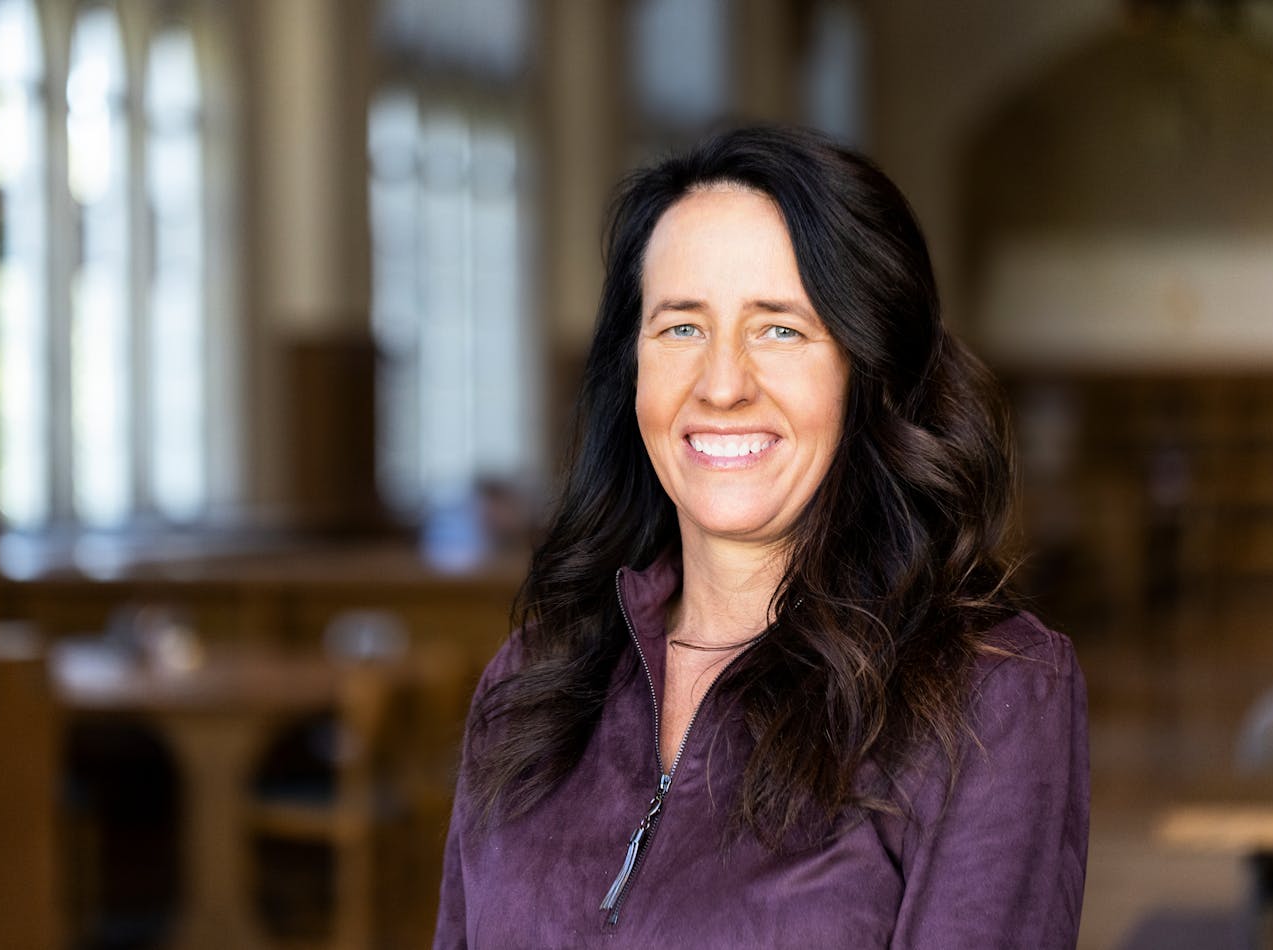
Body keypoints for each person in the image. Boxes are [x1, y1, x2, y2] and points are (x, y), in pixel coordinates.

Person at [434, 126, 1089, 949]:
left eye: (779, 328)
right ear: (630, 369)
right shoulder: (532, 677)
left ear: (870, 371)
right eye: (680, 327)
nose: (721, 384)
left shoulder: (987, 697)